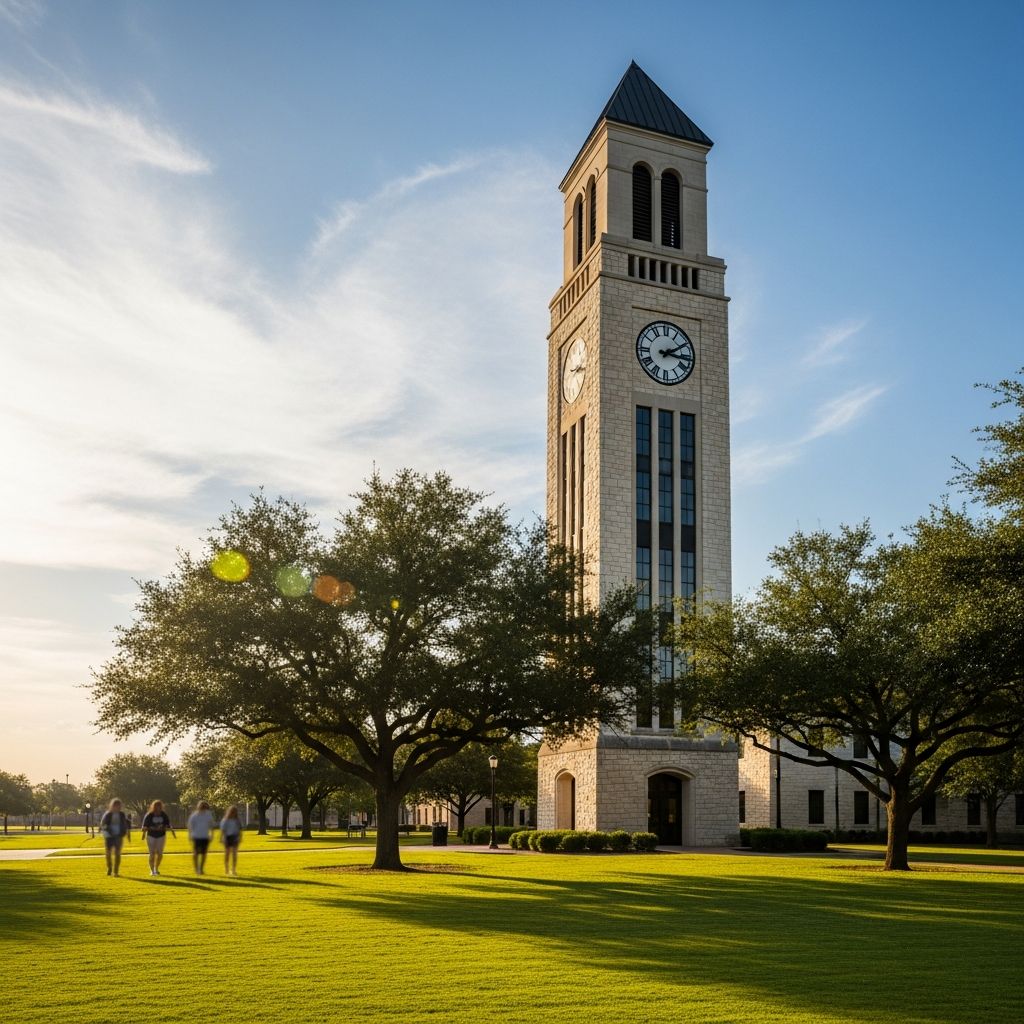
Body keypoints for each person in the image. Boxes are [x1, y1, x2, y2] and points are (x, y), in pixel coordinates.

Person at [140, 799, 177, 876]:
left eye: (159, 806)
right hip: (151, 836)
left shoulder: (164, 815)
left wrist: (171, 830)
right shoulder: (149, 815)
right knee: (152, 853)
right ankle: (152, 871)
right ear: (153, 806)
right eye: (156, 806)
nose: (158, 808)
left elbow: (168, 825)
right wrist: (144, 833)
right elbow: (144, 826)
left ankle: (156, 869)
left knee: (160, 854)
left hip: (161, 836)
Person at [98, 799, 131, 876]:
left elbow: (125, 824)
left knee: (117, 853)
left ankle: (116, 871)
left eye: (118, 805)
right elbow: (103, 824)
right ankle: (109, 868)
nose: (117, 807)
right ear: (112, 806)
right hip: (109, 836)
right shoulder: (108, 814)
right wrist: (106, 829)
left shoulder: (122, 814)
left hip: (119, 836)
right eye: (115, 805)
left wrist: (125, 833)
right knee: (108, 853)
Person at [187, 800, 216, 875]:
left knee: (204, 854)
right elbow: (190, 826)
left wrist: (212, 834)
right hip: (196, 836)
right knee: (196, 853)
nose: (203, 808)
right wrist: (190, 835)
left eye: (204, 807)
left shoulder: (208, 814)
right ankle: (197, 869)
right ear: (198, 807)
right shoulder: (194, 815)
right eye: (202, 806)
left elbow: (211, 825)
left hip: (205, 837)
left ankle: (201, 869)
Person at [220, 805, 242, 876]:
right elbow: (223, 830)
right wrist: (221, 838)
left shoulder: (237, 820)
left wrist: (240, 837)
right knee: (227, 854)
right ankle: (226, 869)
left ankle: (233, 870)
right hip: (227, 837)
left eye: (235, 812)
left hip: (235, 837)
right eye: (232, 812)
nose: (233, 813)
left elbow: (239, 830)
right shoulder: (225, 820)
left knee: (234, 854)